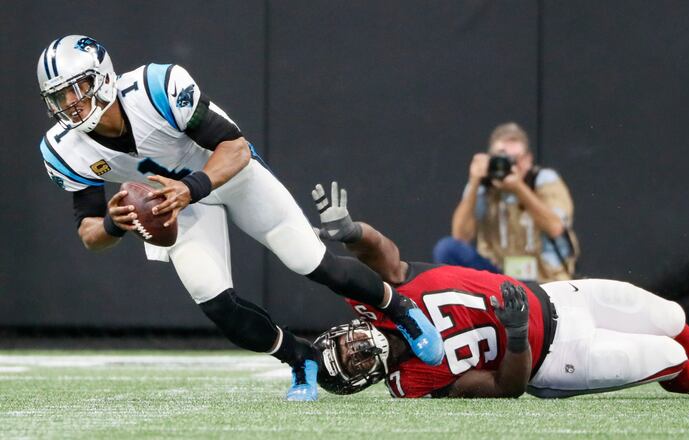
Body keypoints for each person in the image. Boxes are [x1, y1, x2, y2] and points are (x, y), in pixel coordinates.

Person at [35, 35, 444, 401]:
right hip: (175, 204)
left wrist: (191, 187)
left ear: (103, 77)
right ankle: (300, 359)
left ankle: (401, 309)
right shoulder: (63, 149)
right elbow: (89, 233)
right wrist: (113, 223)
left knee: (310, 261)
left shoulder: (155, 87)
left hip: (224, 175)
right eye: (59, 96)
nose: (71, 103)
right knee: (214, 301)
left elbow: (236, 148)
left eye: (79, 87)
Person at [311, 182, 689, 399]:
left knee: (672, 318)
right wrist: (515, 335)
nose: (355, 347)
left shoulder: (380, 304)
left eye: (344, 342)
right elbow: (504, 387)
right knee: (666, 355)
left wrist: (352, 231)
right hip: (553, 359)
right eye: (352, 361)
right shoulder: (411, 383)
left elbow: (384, 255)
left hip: (560, 296)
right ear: (364, 378)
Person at [434, 122, 578, 282]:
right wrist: (474, 181)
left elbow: (555, 227)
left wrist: (519, 188)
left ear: (528, 159)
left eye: (515, 159)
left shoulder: (544, 180)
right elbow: (460, 236)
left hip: (543, 278)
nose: (508, 165)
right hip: (499, 276)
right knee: (447, 249)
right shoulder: (483, 187)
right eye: (501, 158)